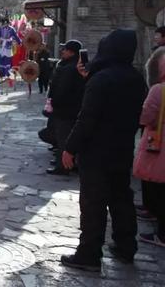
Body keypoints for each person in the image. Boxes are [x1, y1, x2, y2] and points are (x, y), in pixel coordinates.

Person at [60, 29, 147, 271]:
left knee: (93, 204)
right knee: (121, 199)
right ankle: (125, 246)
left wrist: (70, 148)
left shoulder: (102, 79)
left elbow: (87, 117)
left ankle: (89, 254)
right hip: (122, 149)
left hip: (96, 152)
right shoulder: (136, 78)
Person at [134, 46, 165, 246]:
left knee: (159, 188)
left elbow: (146, 116)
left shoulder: (159, 89)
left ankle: (161, 233)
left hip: (159, 141)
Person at [46, 40, 86, 175]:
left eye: (65, 50)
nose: (62, 51)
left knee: (63, 138)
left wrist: (55, 103)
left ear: (72, 52)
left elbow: (62, 91)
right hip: (71, 109)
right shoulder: (72, 65)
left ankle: (63, 166)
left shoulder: (70, 68)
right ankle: (66, 162)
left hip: (66, 109)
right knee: (65, 137)